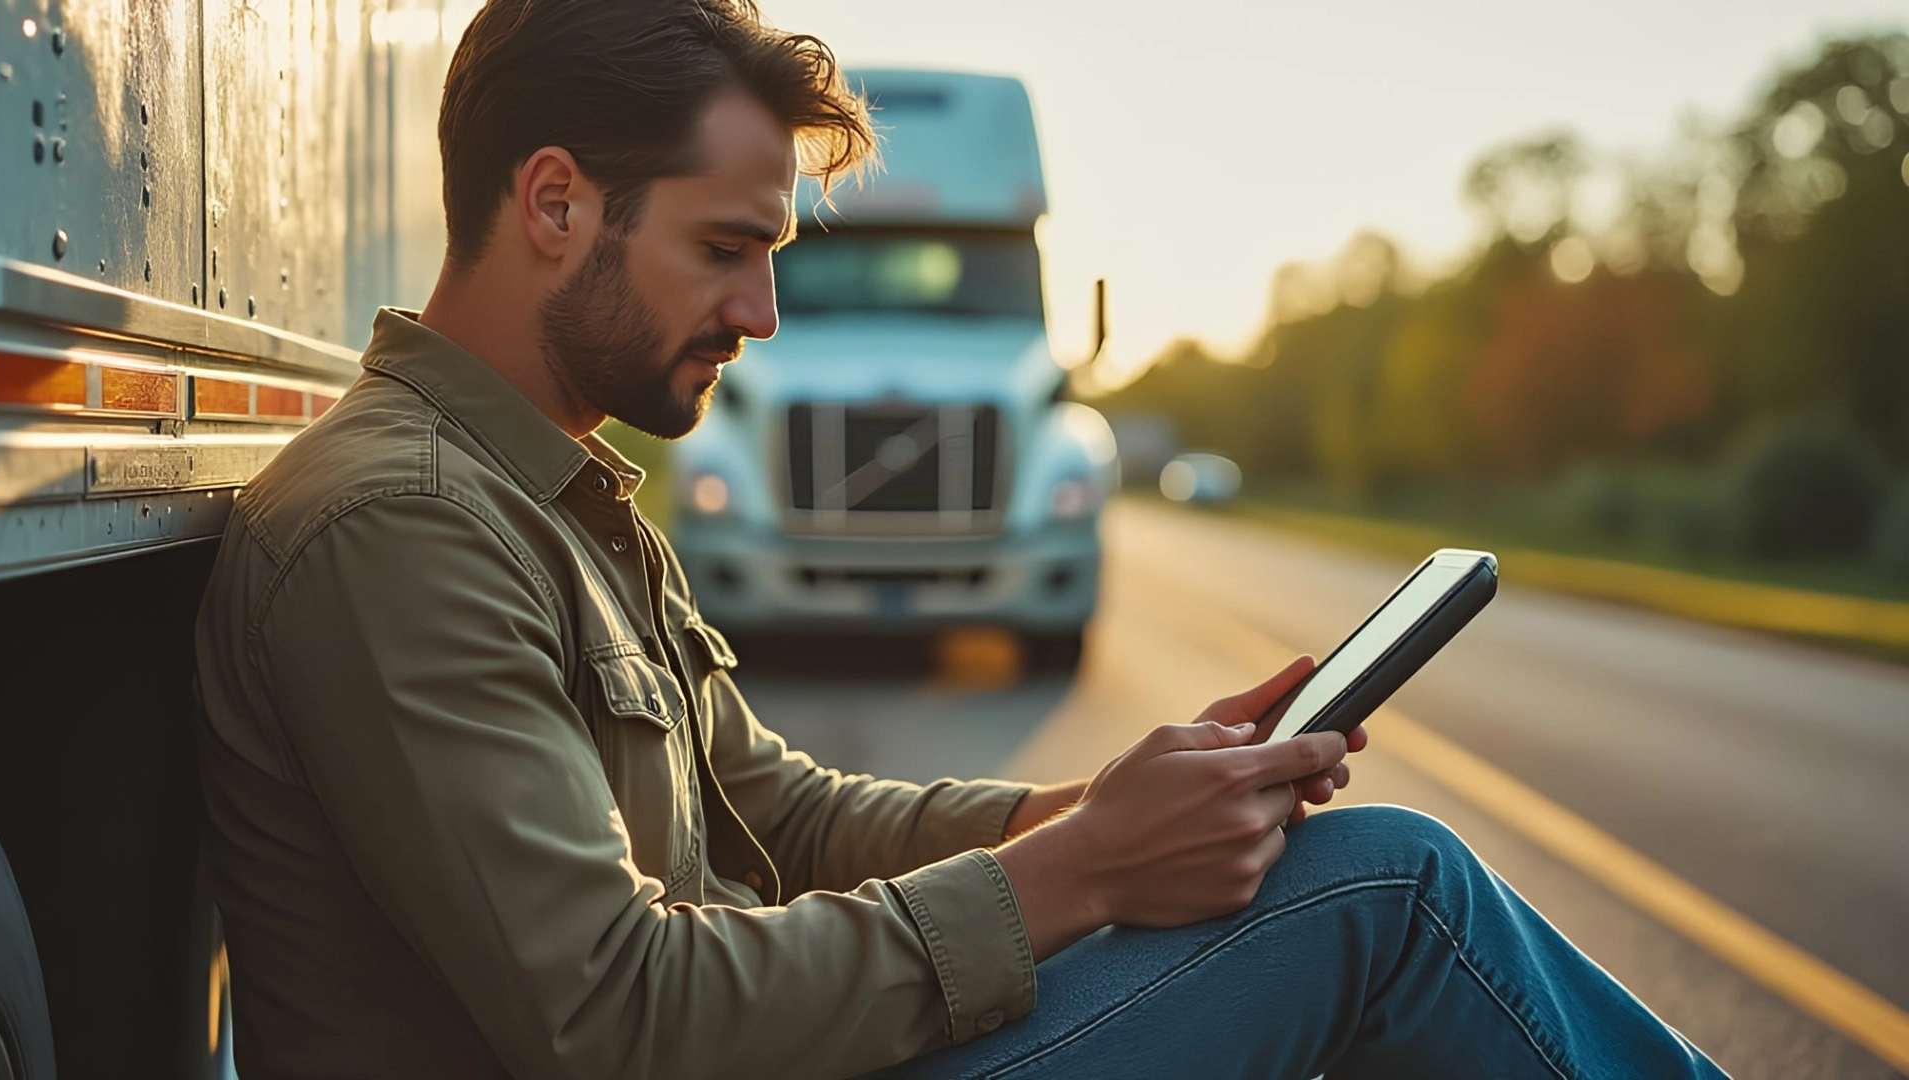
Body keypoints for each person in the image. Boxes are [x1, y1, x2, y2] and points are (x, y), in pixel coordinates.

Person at [192, 1, 1728, 1076]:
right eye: (726, 250)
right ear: (553, 205)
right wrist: (1084, 874)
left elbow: (772, 822)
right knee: (1388, 897)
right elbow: (618, 1020)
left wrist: (1108, 807)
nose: (761, 314)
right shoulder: (403, 525)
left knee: (1328, 874)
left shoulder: (549, 495)